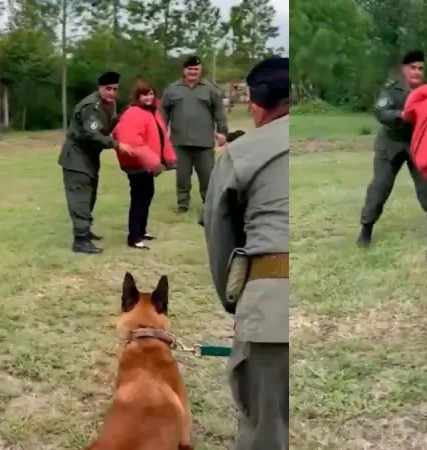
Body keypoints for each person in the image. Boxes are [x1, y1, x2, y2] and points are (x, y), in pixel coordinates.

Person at [201, 56, 289, 450]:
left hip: (271, 306)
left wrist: (236, 302)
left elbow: (221, 238)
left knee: (266, 432)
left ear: (255, 104)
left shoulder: (243, 152)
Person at [356, 50, 427, 247]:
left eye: (420, 69)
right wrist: (401, 115)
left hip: (416, 143)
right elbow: (380, 111)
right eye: (413, 68)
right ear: (404, 69)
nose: (417, 72)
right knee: (381, 186)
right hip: (390, 144)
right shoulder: (392, 89)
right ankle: (366, 228)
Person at [58, 71, 133, 254]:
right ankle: (80, 240)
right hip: (76, 157)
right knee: (80, 198)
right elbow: (92, 134)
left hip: (90, 157)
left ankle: (85, 230)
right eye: (108, 89)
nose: (111, 93)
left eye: (115, 89)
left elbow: (109, 125)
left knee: (90, 196)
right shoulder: (92, 105)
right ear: (99, 88)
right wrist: (115, 144)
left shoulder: (110, 104)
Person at [112, 79, 177, 250]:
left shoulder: (151, 112)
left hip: (146, 164)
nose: (148, 97)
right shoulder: (133, 113)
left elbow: (161, 137)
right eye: (144, 94)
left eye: (150, 94)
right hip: (136, 164)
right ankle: (134, 237)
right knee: (139, 198)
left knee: (146, 195)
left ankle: (141, 231)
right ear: (137, 96)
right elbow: (133, 141)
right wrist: (153, 161)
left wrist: (167, 159)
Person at [161, 55, 229, 215]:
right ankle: (182, 204)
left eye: (196, 69)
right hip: (180, 140)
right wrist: (160, 132)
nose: (193, 72)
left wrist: (222, 131)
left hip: (204, 141)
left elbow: (219, 111)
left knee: (208, 175)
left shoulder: (210, 89)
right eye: (190, 69)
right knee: (182, 176)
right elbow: (163, 111)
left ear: (200, 70)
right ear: (184, 70)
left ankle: (209, 203)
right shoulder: (172, 89)